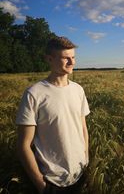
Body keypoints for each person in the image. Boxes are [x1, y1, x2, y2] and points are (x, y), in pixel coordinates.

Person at [16, 36, 90, 194]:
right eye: (65, 58)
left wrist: (86, 160)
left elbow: (83, 128)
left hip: (80, 174)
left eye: (73, 57)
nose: (72, 62)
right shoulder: (34, 94)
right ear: (49, 59)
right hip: (52, 180)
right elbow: (23, 145)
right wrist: (41, 186)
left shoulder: (78, 90)